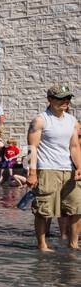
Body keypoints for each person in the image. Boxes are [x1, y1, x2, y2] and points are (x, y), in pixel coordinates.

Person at [25, 83, 81, 252]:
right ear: (50, 99)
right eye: (60, 98)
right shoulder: (41, 120)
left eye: (67, 98)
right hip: (47, 169)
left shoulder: (72, 120)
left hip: (68, 170)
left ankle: (74, 243)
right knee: (43, 210)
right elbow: (31, 147)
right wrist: (32, 173)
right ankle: (42, 245)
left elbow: (74, 146)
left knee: (76, 208)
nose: (65, 101)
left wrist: (79, 166)